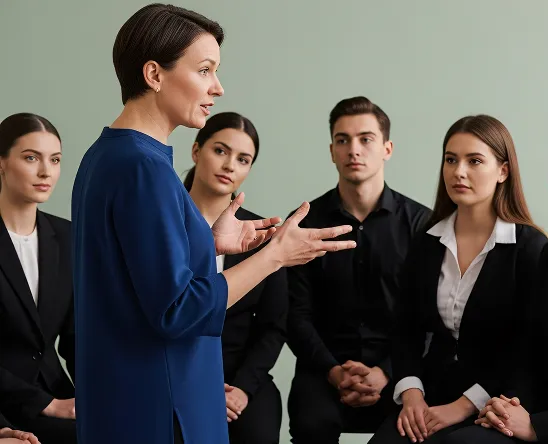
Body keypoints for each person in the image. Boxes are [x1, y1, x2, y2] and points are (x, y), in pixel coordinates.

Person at [71, 4, 356, 444]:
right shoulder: (144, 168)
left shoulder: (106, 156)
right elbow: (176, 309)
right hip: (161, 405)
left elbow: (132, 278)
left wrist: (206, 243)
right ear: (154, 74)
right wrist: (274, 256)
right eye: (204, 70)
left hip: (126, 399)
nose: (218, 88)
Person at [367, 115, 548, 444]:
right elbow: (405, 328)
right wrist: (410, 393)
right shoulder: (427, 241)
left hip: (500, 399)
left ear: (503, 171)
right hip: (430, 392)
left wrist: (463, 406)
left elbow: (527, 349)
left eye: (474, 161)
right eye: (451, 160)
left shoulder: (530, 248)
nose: (458, 171)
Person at [286, 96, 431, 444]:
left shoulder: (422, 225)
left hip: (400, 371)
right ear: (332, 150)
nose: (354, 149)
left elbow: (430, 317)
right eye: (343, 140)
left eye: (366, 139)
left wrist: (386, 372)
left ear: (387, 148)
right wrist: (335, 372)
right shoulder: (305, 223)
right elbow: (295, 315)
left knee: (409, 433)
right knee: (311, 425)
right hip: (324, 369)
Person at [442, 123, 548, 443]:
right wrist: (509, 405)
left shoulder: (531, 246)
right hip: (539, 409)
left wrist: (540, 428)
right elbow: (528, 350)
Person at [184, 111, 286, 444]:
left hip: (239, 376)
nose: (230, 165)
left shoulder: (263, 234)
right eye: (220, 151)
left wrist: (242, 388)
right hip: (173, 375)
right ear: (197, 151)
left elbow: (274, 326)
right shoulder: (161, 222)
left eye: (243, 159)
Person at [0, 113, 76, 444]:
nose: (46, 171)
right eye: (31, 158)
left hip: (54, 392)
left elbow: (76, 340)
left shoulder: (68, 236)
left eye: (55, 160)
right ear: (1, 163)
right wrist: (45, 405)